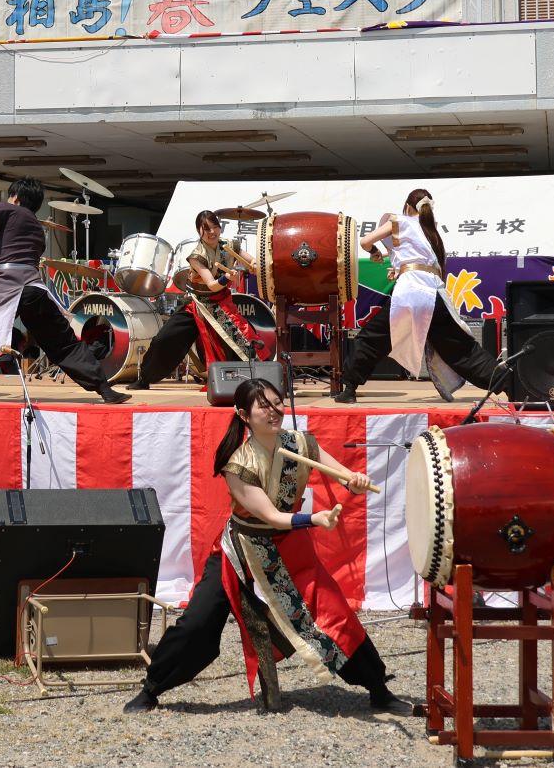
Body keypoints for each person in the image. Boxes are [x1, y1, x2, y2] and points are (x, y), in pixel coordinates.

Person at [124, 378, 395, 714]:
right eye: (263, 405)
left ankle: (378, 687)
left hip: (290, 550)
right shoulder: (238, 464)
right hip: (241, 551)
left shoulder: (300, 444)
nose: (274, 410)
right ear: (243, 414)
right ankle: (152, 688)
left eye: (277, 402)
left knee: (333, 613)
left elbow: (342, 476)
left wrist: (355, 482)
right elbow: (272, 516)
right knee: (198, 623)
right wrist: (313, 519)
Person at [0, 178, 124, 402]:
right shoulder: (36, 227)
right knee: (63, 343)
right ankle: (103, 388)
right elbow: (8, 264)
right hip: (34, 289)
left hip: (6, 289)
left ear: (15, 197)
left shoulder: (9, 209)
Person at [336, 188, 511, 404]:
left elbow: (365, 241)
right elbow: (422, 261)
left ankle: (349, 389)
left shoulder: (398, 221)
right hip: (435, 295)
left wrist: (373, 252)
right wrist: (398, 266)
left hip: (410, 294)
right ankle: (507, 382)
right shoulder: (432, 231)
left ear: (408, 206)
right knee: (461, 348)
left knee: (371, 340)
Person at [134, 210, 265, 389]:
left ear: (220, 227)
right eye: (206, 229)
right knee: (165, 339)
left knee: (240, 339)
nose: (212, 232)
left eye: (214, 227)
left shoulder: (229, 244)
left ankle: (255, 377)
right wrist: (227, 278)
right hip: (197, 304)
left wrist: (255, 265)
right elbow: (211, 284)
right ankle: (145, 378)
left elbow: (250, 260)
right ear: (199, 232)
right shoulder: (196, 256)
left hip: (221, 304)